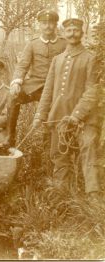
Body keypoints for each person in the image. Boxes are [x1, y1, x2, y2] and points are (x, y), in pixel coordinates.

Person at [33, 18, 101, 199]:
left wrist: (77, 115)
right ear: (63, 33)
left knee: (88, 150)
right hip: (59, 118)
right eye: (68, 31)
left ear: (82, 33)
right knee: (58, 155)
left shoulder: (90, 58)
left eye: (76, 30)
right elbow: (48, 91)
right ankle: (61, 194)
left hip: (85, 120)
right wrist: (40, 115)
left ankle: (93, 196)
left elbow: (92, 91)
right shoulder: (57, 59)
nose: (72, 34)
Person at [5, 9, 67, 147]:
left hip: (55, 86)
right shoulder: (32, 44)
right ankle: (10, 137)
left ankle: (49, 142)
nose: (47, 26)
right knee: (13, 97)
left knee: (53, 109)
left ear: (55, 24)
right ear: (39, 25)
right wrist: (16, 82)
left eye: (51, 23)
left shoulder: (64, 44)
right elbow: (22, 66)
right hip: (35, 85)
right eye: (44, 23)